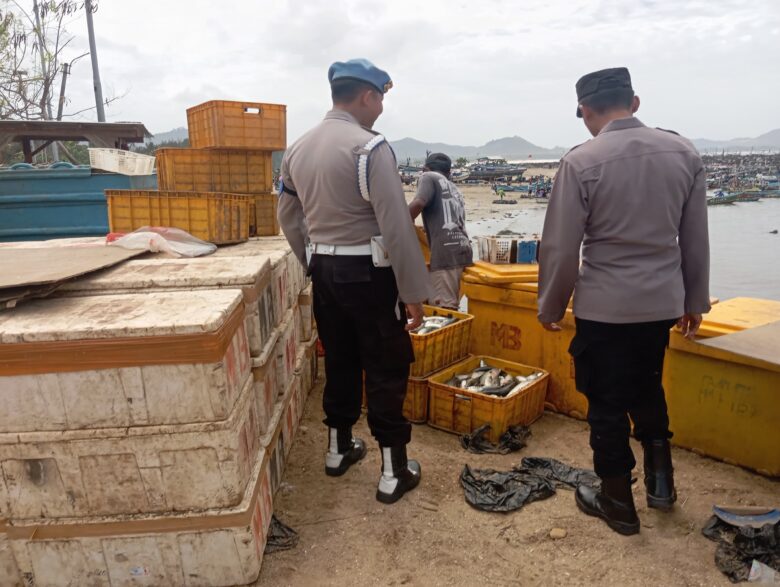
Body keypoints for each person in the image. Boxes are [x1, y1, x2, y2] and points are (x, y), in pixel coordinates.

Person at [537, 67, 710, 536]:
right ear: (634, 102)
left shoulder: (581, 162)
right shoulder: (684, 152)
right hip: (661, 305)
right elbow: (695, 239)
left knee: (607, 403)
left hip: (605, 309)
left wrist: (550, 307)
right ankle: (660, 484)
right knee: (648, 385)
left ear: (586, 111)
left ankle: (616, 502)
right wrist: (695, 298)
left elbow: (560, 247)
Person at [277, 58, 431, 504]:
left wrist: (312, 259)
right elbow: (397, 227)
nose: (381, 108)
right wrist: (413, 294)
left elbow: (288, 215)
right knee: (385, 365)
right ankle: (393, 470)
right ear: (367, 96)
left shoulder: (298, 149)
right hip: (370, 273)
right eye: (381, 98)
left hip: (324, 269)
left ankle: (337, 450)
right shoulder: (370, 148)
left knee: (341, 359)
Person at [408, 153, 473, 310]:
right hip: (464, 249)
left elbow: (419, 202)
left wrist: (397, 224)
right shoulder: (455, 188)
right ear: (449, 173)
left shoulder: (428, 177)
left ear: (425, 169)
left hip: (446, 252)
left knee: (443, 309)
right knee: (450, 302)